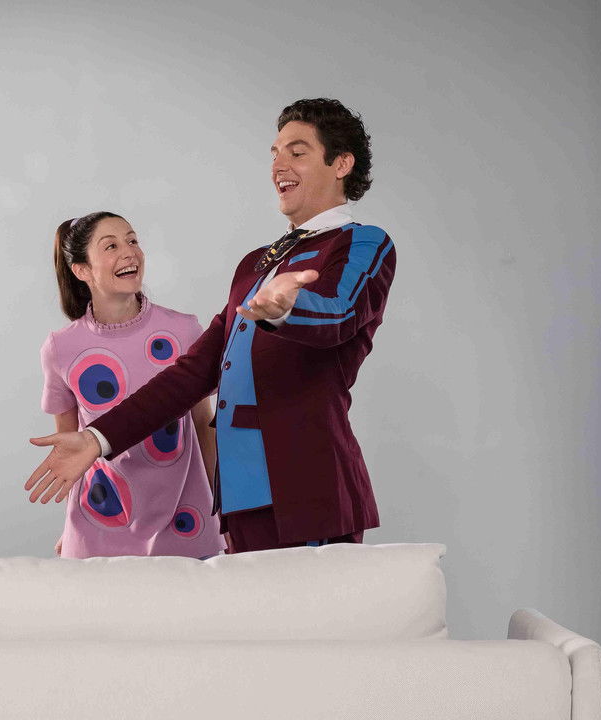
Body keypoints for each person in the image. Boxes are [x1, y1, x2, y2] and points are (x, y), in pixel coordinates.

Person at [25, 98, 396, 553]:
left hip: (309, 490)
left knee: (311, 605)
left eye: (297, 152)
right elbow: (190, 374)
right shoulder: (256, 264)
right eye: (275, 153)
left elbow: (339, 314)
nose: (278, 165)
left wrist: (287, 308)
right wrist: (97, 439)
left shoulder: (363, 242)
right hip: (241, 500)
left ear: (341, 164)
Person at [40, 211, 224, 559]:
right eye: (111, 246)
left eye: (133, 240)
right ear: (82, 270)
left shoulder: (183, 330)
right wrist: (69, 527)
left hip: (185, 520)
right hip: (98, 522)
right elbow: (71, 449)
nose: (129, 252)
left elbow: (203, 424)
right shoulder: (60, 348)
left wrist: (221, 509)